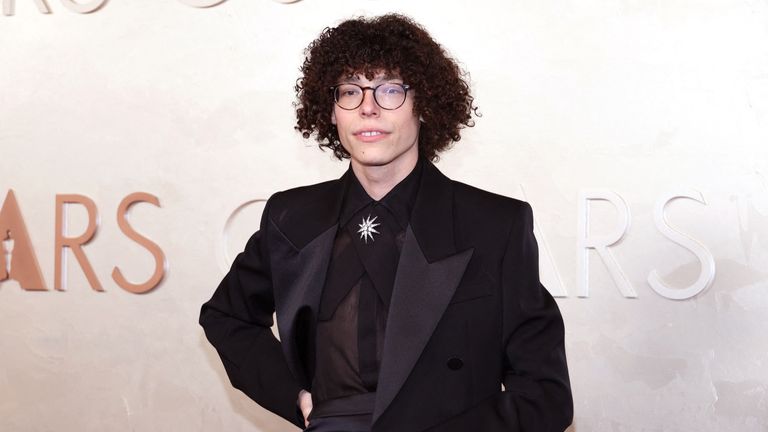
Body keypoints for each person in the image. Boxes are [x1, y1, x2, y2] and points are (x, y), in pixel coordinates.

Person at [200, 14, 573, 432]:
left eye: (390, 89)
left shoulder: (494, 225)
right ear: (331, 111)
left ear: (425, 105)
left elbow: (546, 396)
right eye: (350, 90)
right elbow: (226, 317)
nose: (368, 107)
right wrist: (297, 397)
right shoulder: (291, 217)